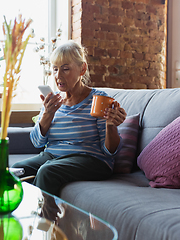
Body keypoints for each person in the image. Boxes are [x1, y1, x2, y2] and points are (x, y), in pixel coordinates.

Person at [12, 40, 127, 196]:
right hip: (53, 156)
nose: (58, 76)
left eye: (65, 69)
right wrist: (47, 114)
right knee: (16, 171)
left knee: (47, 171)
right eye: (55, 69)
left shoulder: (98, 99)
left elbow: (109, 152)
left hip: (91, 160)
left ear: (82, 69)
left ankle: (42, 219)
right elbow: (37, 142)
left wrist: (111, 125)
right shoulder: (52, 101)